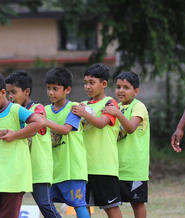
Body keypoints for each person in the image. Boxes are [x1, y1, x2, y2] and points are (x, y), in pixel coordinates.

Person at [0, 71, 44, 218]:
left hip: (15, 171)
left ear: (3, 92)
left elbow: (39, 122)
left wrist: (15, 134)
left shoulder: (16, 110)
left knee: (7, 214)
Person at [5, 70, 59, 218]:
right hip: (20, 167)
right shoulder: (13, 112)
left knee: (45, 204)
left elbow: (35, 130)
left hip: (38, 167)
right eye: (8, 93)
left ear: (27, 91)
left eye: (14, 92)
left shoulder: (37, 109)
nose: (10, 96)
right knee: (9, 205)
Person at [71, 63, 122, 218]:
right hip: (84, 167)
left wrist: (84, 114)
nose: (87, 86)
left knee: (111, 208)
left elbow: (100, 123)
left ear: (104, 84)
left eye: (91, 83)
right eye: (85, 83)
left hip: (104, 167)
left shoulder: (110, 103)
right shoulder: (83, 105)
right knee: (83, 207)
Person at [102, 71, 150, 218]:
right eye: (118, 87)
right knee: (111, 203)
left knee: (137, 202)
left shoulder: (138, 106)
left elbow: (130, 128)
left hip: (134, 167)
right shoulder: (114, 107)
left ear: (136, 91)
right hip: (116, 167)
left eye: (126, 87)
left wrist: (117, 113)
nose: (121, 90)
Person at [44, 67, 89, 218]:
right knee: (45, 202)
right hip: (52, 171)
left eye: (55, 89)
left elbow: (65, 129)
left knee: (78, 204)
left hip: (72, 170)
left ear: (67, 89)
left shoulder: (74, 108)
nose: (51, 92)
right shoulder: (44, 111)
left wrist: (44, 122)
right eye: (49, 88)